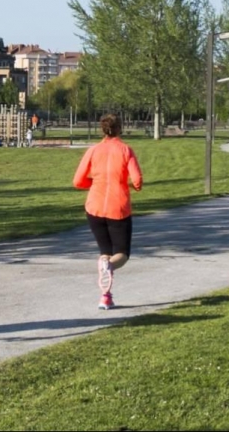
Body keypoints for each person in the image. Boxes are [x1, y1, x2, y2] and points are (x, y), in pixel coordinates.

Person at [73, 113, 143, 310]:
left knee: (105, 251)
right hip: (118, 208)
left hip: (94, 207)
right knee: (122, 253)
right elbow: (137, 179)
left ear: (102, 129)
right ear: (120, 128)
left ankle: (105, 296)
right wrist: (135, 186)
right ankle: (109, 267)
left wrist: (94, 184)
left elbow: (78, 181)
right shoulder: (125, 150)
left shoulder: (93, 150)